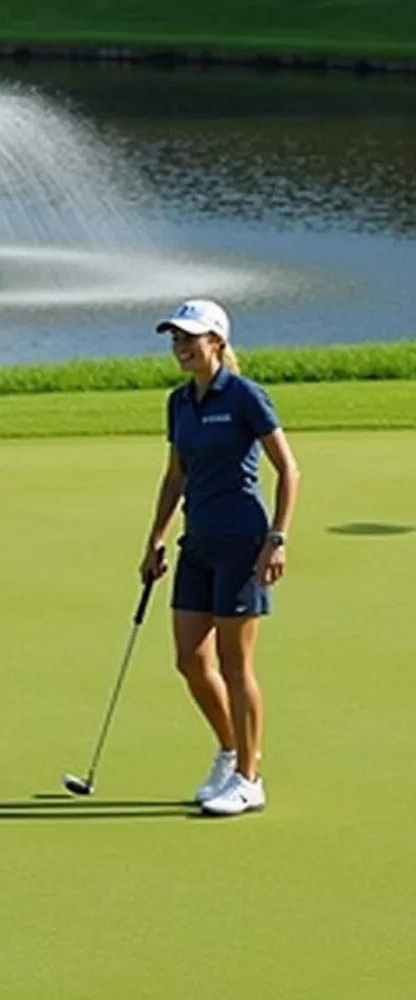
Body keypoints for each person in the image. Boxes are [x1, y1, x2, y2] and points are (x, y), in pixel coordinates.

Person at [140, 299, 300, 816]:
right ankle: (232, 751)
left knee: (236, 664)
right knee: (190, 659)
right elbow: (175, 475)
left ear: (217, 341)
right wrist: (156, 539)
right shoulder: (179, 402)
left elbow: (289, 471)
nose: (180, 346)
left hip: (241, 543)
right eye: (175, 338)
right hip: (198, 542)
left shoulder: (246, 396)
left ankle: (250, 779)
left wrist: (277, 538)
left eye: (190, 337)